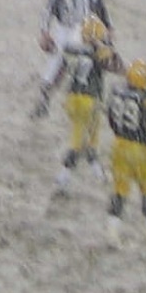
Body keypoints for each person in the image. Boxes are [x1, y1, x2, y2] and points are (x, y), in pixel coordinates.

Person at [52, 18, 124, 196]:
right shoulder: (98, 53)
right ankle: (63, 178)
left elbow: (60, 71)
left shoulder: (72, 48)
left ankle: (97, 171)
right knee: (78, 142)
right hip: (88, 100)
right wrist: (103, 46)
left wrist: (50, 91)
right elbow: (118, 67)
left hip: (71, 98)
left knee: (92, 135)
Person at [35, 0, 115, 118]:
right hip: (64, 29)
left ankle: (86, 92)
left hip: (84, 29)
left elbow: (101, 10)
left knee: (90, 59)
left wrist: (108, 27)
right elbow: (48, 10)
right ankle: (44, 99)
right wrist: (45, 33)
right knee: (55, 63)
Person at [106, 62, 146, 245]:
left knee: (119, 191)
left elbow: (110, 118)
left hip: (118, 145)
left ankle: (112, 231)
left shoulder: (117, 92)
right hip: (139, 149)